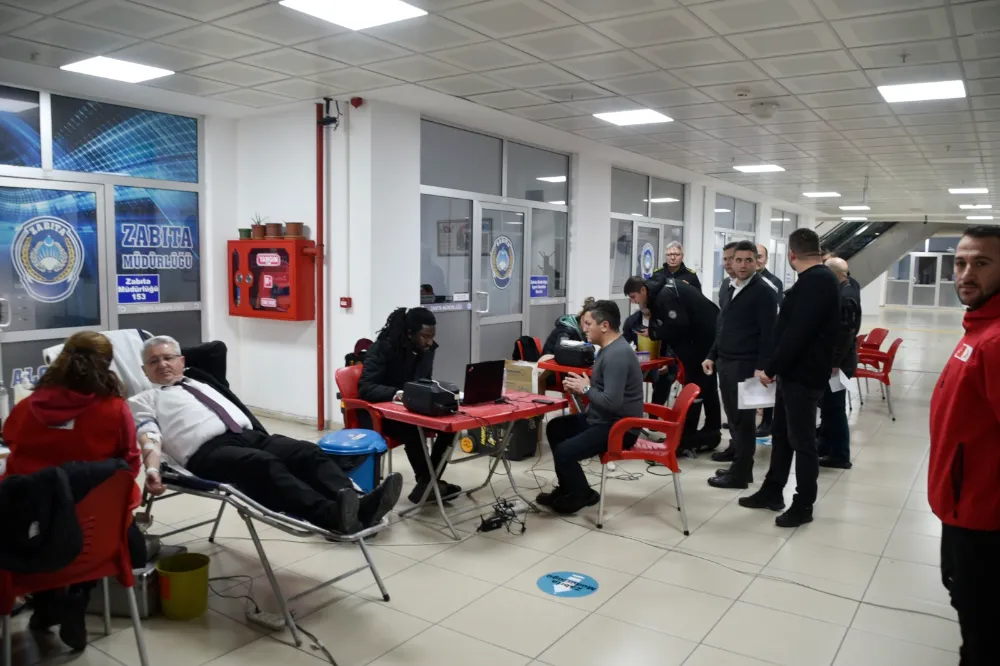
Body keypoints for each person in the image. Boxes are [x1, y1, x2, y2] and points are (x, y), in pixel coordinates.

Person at [132, 336, 402, 534]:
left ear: (183, 360)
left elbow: (216, 348)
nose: (162, 365)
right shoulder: (143, 400)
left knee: (307, 451)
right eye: (154, 362)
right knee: (263, 464)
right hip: (207, 452)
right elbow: (148, 435)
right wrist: (153, 470)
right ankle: (331, 515)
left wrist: (169, 354)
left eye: (168, 358)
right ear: (144, 371)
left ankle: (358, 503)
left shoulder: (201, 378)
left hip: (248, 436)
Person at [2, 332, 145, 652]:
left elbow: (10, 440)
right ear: (106, 366)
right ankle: (76, 597)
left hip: (30, 533)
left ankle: (48, 599)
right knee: (100, 520)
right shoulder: (115, 409)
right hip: (97, 540)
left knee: (36, 513)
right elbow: (130, 465)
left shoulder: (25, 408)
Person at [929, 226, 1000, 666]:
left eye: (982, 263)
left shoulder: (995, 340)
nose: (966, 273)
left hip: (983, 517)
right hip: (959, 504)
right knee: (968, 609)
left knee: (982, 629)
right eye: (960, 262)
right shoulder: (978, 327)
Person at [739, 228, 840, 527]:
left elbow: (798, 334)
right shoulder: (816, 279)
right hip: (792, 374)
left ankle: (803, 504)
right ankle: (772, 490)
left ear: (792, 255)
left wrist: (771, 368)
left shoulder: (816, 282)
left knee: (803, 442)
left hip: (803, 377)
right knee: (782, 436)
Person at [538, 301, 643, 514]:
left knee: (565, 452)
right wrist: (582, 388)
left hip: (619, 428)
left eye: (588, 324)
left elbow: (612, 402)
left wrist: (586, 389)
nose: (584, 328)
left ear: (604, 326)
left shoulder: (617, 355)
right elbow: (602, 393)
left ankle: (579, 496)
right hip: (601, 419)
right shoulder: (607, 349)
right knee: (556, 428)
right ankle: (572, 489)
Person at [358, 307, 459, 504]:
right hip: (379, 414)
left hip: (411, 408)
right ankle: (430, 485)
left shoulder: (427, 350)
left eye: (432, 337)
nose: (429, 342)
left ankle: (427, 485)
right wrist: (398, 394)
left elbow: (424, 380)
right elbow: (366, 387)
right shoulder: (383, 348)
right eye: (425, 337)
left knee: (451, 425)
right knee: (413, 429)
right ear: (410, 333)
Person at [703, 241, 778, 489]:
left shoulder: (764, 291)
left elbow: (769, 334)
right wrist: (711, 354)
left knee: (744, 422)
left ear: (757, 262)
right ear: (731, 262)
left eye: (749, 260)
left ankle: (740, 475)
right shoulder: (729, 287)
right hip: (726, 361)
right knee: (734, 419)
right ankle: (741, 468)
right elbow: (721, 326)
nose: (743, 265)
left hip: (746, 365)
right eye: (738, 260)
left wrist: (762, 367)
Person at [624, 273, 722, 453]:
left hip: (702, 342)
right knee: (707, 387)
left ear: (643, 290)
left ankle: (687, 438)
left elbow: (679, 325)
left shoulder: (664, 296)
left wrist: (654, 332)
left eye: (633, 296)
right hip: (705, 338)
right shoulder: (661, 291)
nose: (633, 302)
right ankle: (710, 431)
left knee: (696, 388)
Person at [818, 257, 862, 469]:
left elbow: (845, 334)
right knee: (828, 405)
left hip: (839, 364)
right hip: (838, 361)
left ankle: (840, 454)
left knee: (834, 407)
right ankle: (825, 446)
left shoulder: (845, 297)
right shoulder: (848, 287)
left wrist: (834, 362)